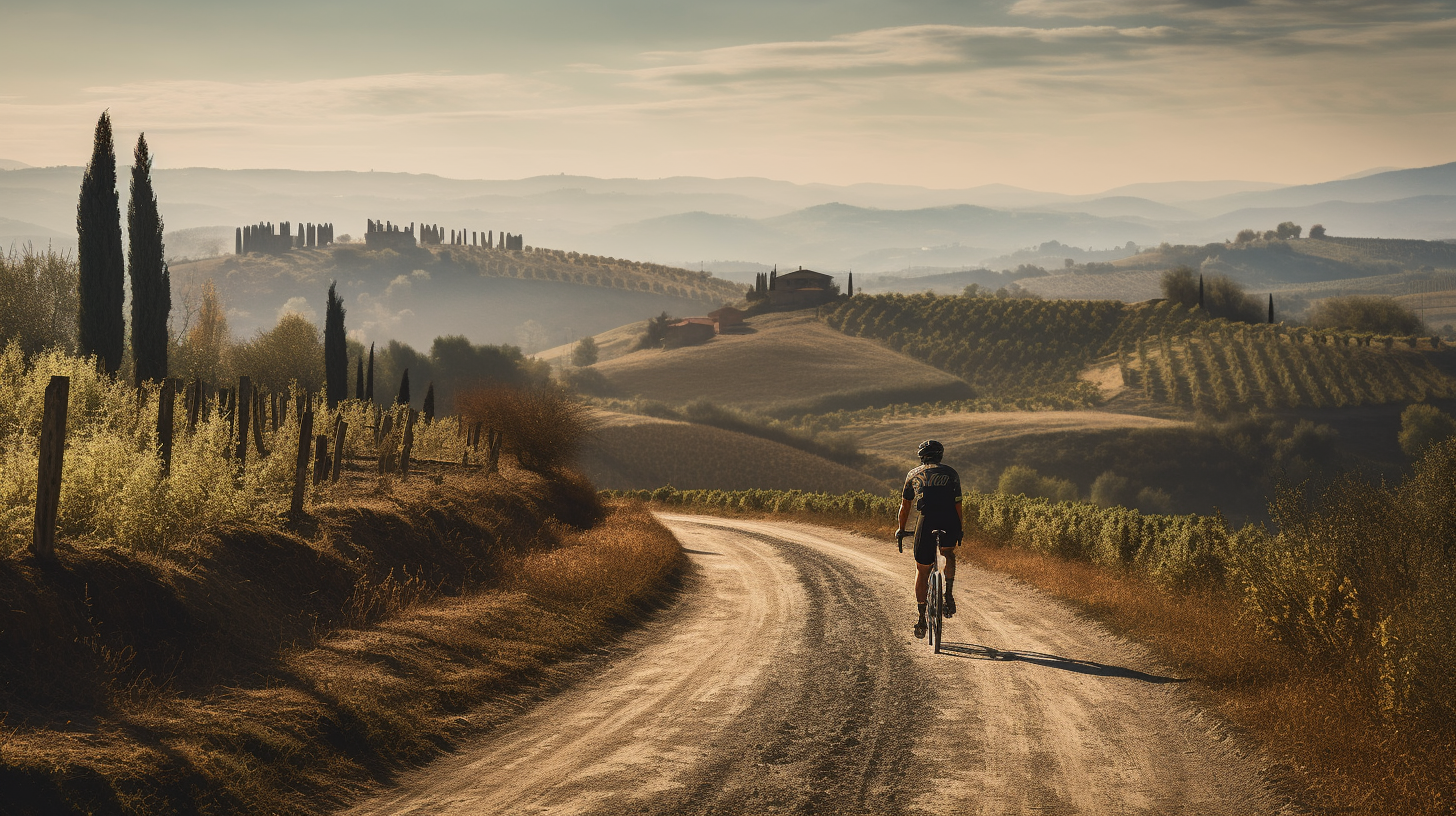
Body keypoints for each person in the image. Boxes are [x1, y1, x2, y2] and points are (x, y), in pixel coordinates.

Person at [894, 439, 962, 639]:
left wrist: (901, 529)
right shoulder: (951, 473)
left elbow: (905, 507)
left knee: (922, 569)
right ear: (940, 455)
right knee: (947, 553)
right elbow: (958, 505)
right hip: (949, 519)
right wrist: (960, 529)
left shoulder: (913, 475)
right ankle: (948, 594)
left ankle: (922, 617)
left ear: (921, 457)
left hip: (926, 521)